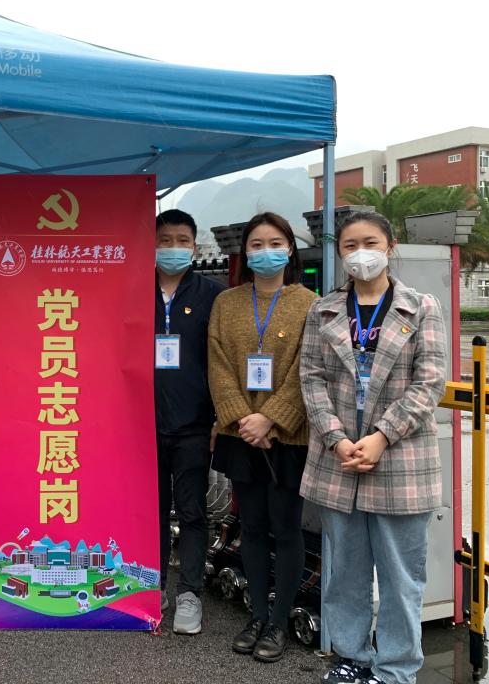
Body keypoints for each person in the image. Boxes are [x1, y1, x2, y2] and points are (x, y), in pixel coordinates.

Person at [299, 211, 446, 684]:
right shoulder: (323, 310)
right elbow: (311, 379)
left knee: (402, 578)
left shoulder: (421, 307)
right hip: (338, 461)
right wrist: (337, 438)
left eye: (370, 243)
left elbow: (429, 383)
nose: (361, 253)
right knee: (345, 572)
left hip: (401, 461)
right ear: (339, 253)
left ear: (390, 246)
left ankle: (397, 669)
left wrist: (382, 435)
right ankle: (351, 657)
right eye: (350, 245)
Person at [207, 212, 316, 663]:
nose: (265, 251)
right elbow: (217, 365)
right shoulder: (226, 302)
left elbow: (309, 369)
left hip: (287, 437)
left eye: (274, 243)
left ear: (289, 250)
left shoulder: (311, 304)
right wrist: (242, 419)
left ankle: (279, 621)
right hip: (241, 435)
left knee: (286, 528)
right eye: (256, 244)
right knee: (250, 525)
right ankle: (256, 614)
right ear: (245, 252)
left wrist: (270, 418)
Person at [153, 209, 224, 634]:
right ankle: (155, 586)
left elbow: (222, 362)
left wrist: (218, 418)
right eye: (165, 240)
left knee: (193, 511)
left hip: (195, 424)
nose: (173, 248)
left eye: (182, 241)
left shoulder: (213, 295)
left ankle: (190, 594)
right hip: (144, 424)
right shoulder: (134, 290)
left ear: (194, 247)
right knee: (153, 511)